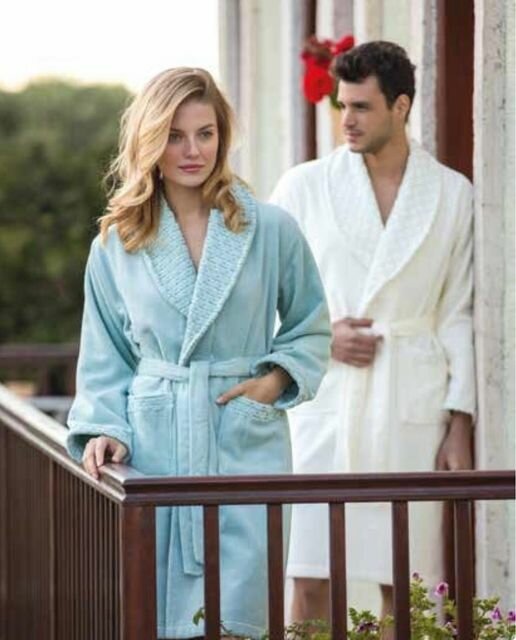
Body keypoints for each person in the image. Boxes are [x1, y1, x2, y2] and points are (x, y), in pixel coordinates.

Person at [66, 67, 331, 639]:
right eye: (175, 136)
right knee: (160, 615)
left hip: (243, 439)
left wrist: (271, 382)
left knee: (239, 617)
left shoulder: (270, 228)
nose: (193, 151)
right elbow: (105, 356)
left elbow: (311, 327)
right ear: (150, 142)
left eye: (205, 134)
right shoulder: (117, 243)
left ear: (222, 137)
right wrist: (104, 428)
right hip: (157, 446)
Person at [270, 41, 475, 624]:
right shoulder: (303, 187)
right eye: (343, 105)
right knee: (309, 576)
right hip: (326, 403)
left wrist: (460, 424)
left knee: (403, 585)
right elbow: (259, 298)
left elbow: (457, 311)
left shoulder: (451, 195)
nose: (347, 120)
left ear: (401, 106)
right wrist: (319, 338)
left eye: (362, 107)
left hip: (409, 400)